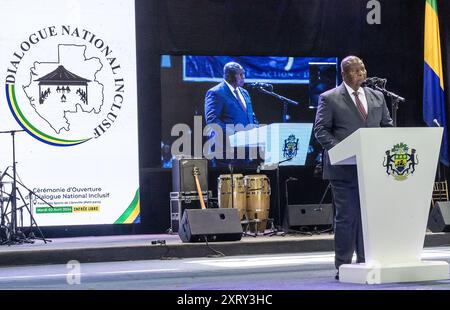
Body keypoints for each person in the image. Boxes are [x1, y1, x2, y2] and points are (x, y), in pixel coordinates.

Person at [313, 56, 393, 280]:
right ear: (344, 74)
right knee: (347, 217)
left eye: (363, 69)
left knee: (369, 219)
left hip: (372, 169)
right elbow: (321, 130)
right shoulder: (329, 98)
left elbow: (387, 127)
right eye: (356, 71)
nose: (362, 73)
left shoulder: (377, 96)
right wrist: (341, 150)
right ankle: (343, 266)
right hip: (344, 169)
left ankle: (366, 262)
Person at [204, 62, 259, 165]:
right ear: (229, 76)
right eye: (240, 74)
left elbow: (251, 115)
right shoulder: (216, 92)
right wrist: (235, 133)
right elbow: (212, 120)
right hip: (225, 151)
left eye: (244, 74)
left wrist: (256, 129)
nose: (244, 77)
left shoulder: (244, 93)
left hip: (245, 150)